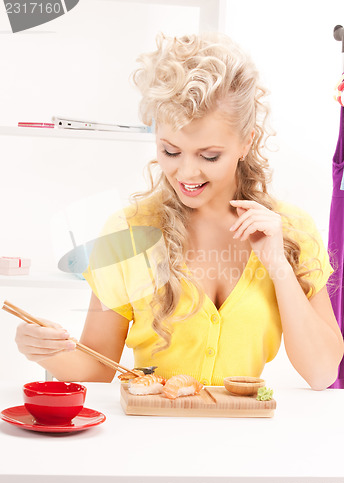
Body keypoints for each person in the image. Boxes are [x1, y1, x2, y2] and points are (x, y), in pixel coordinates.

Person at [15, 32, 343, 390]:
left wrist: (277, 264)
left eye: (209, 156)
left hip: (248, 440)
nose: (186, 173)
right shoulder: (127, 231)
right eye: (170, 151)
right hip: (150, 438)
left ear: (247, 141)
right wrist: (43, 350)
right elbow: (97, 369)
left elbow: (322, 373)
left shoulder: (290, 228)